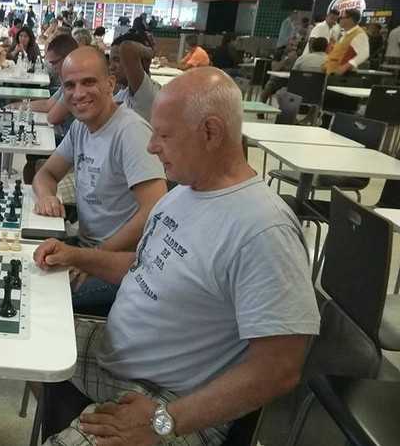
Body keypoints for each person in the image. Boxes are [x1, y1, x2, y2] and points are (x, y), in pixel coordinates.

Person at [35, 67, 319, 446]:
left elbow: (280, 369)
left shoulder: (264, 231)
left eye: (164, 135)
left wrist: (161, 420)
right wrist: (77, 256)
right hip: (116, 354)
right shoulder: (184, 191)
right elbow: (145, 269)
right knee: (23, 335)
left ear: (211, 132)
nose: (152, 147)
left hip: (173, 401)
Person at [33, 47, 167, 316]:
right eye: (69, 85)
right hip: (86, 250)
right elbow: (44, 174)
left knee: (37, 300)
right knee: (25, 272)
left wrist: (92, 258)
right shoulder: (82, 126)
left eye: (89, 82)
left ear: (110, 84)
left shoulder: (130, 133)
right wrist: (47, 195)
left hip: (123, 264)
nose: (78, 93)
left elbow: (155, 210)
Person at [15, 34, 79, 183]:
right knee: (32, 155)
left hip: (76, 149)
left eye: (54, 63)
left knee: (32, 162)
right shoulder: (67, 82)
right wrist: (19, 106)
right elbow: (48, 104)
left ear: (68, 58)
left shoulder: (74, 83)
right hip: (70, 139)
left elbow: (52, 116)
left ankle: (36, 201)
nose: (53, 69)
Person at [110, 34, 159, 122]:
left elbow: (127, 48)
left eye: (117, 60)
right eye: (111, 61)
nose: (111, 67)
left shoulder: (145, 92)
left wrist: (151, 52)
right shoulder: (124, 93)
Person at [325, 9, 369, 75]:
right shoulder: (346, 34)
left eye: (342, 17)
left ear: (350, 19)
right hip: (332, 72)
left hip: (341, 75)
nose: (339, 20)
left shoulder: (359, 34)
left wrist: (345, 67)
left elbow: (364, 54)